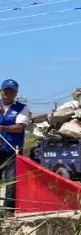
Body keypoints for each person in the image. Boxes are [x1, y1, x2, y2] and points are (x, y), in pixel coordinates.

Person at [0, 79, 31, 214]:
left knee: (11, 181)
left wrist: (2, 127)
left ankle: (8, 211)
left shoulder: (21, 108)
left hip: (12, 151)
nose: (8, 93)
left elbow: (19, 127)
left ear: (16, 93)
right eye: (6, 90)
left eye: (11, 91)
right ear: (1, 91)